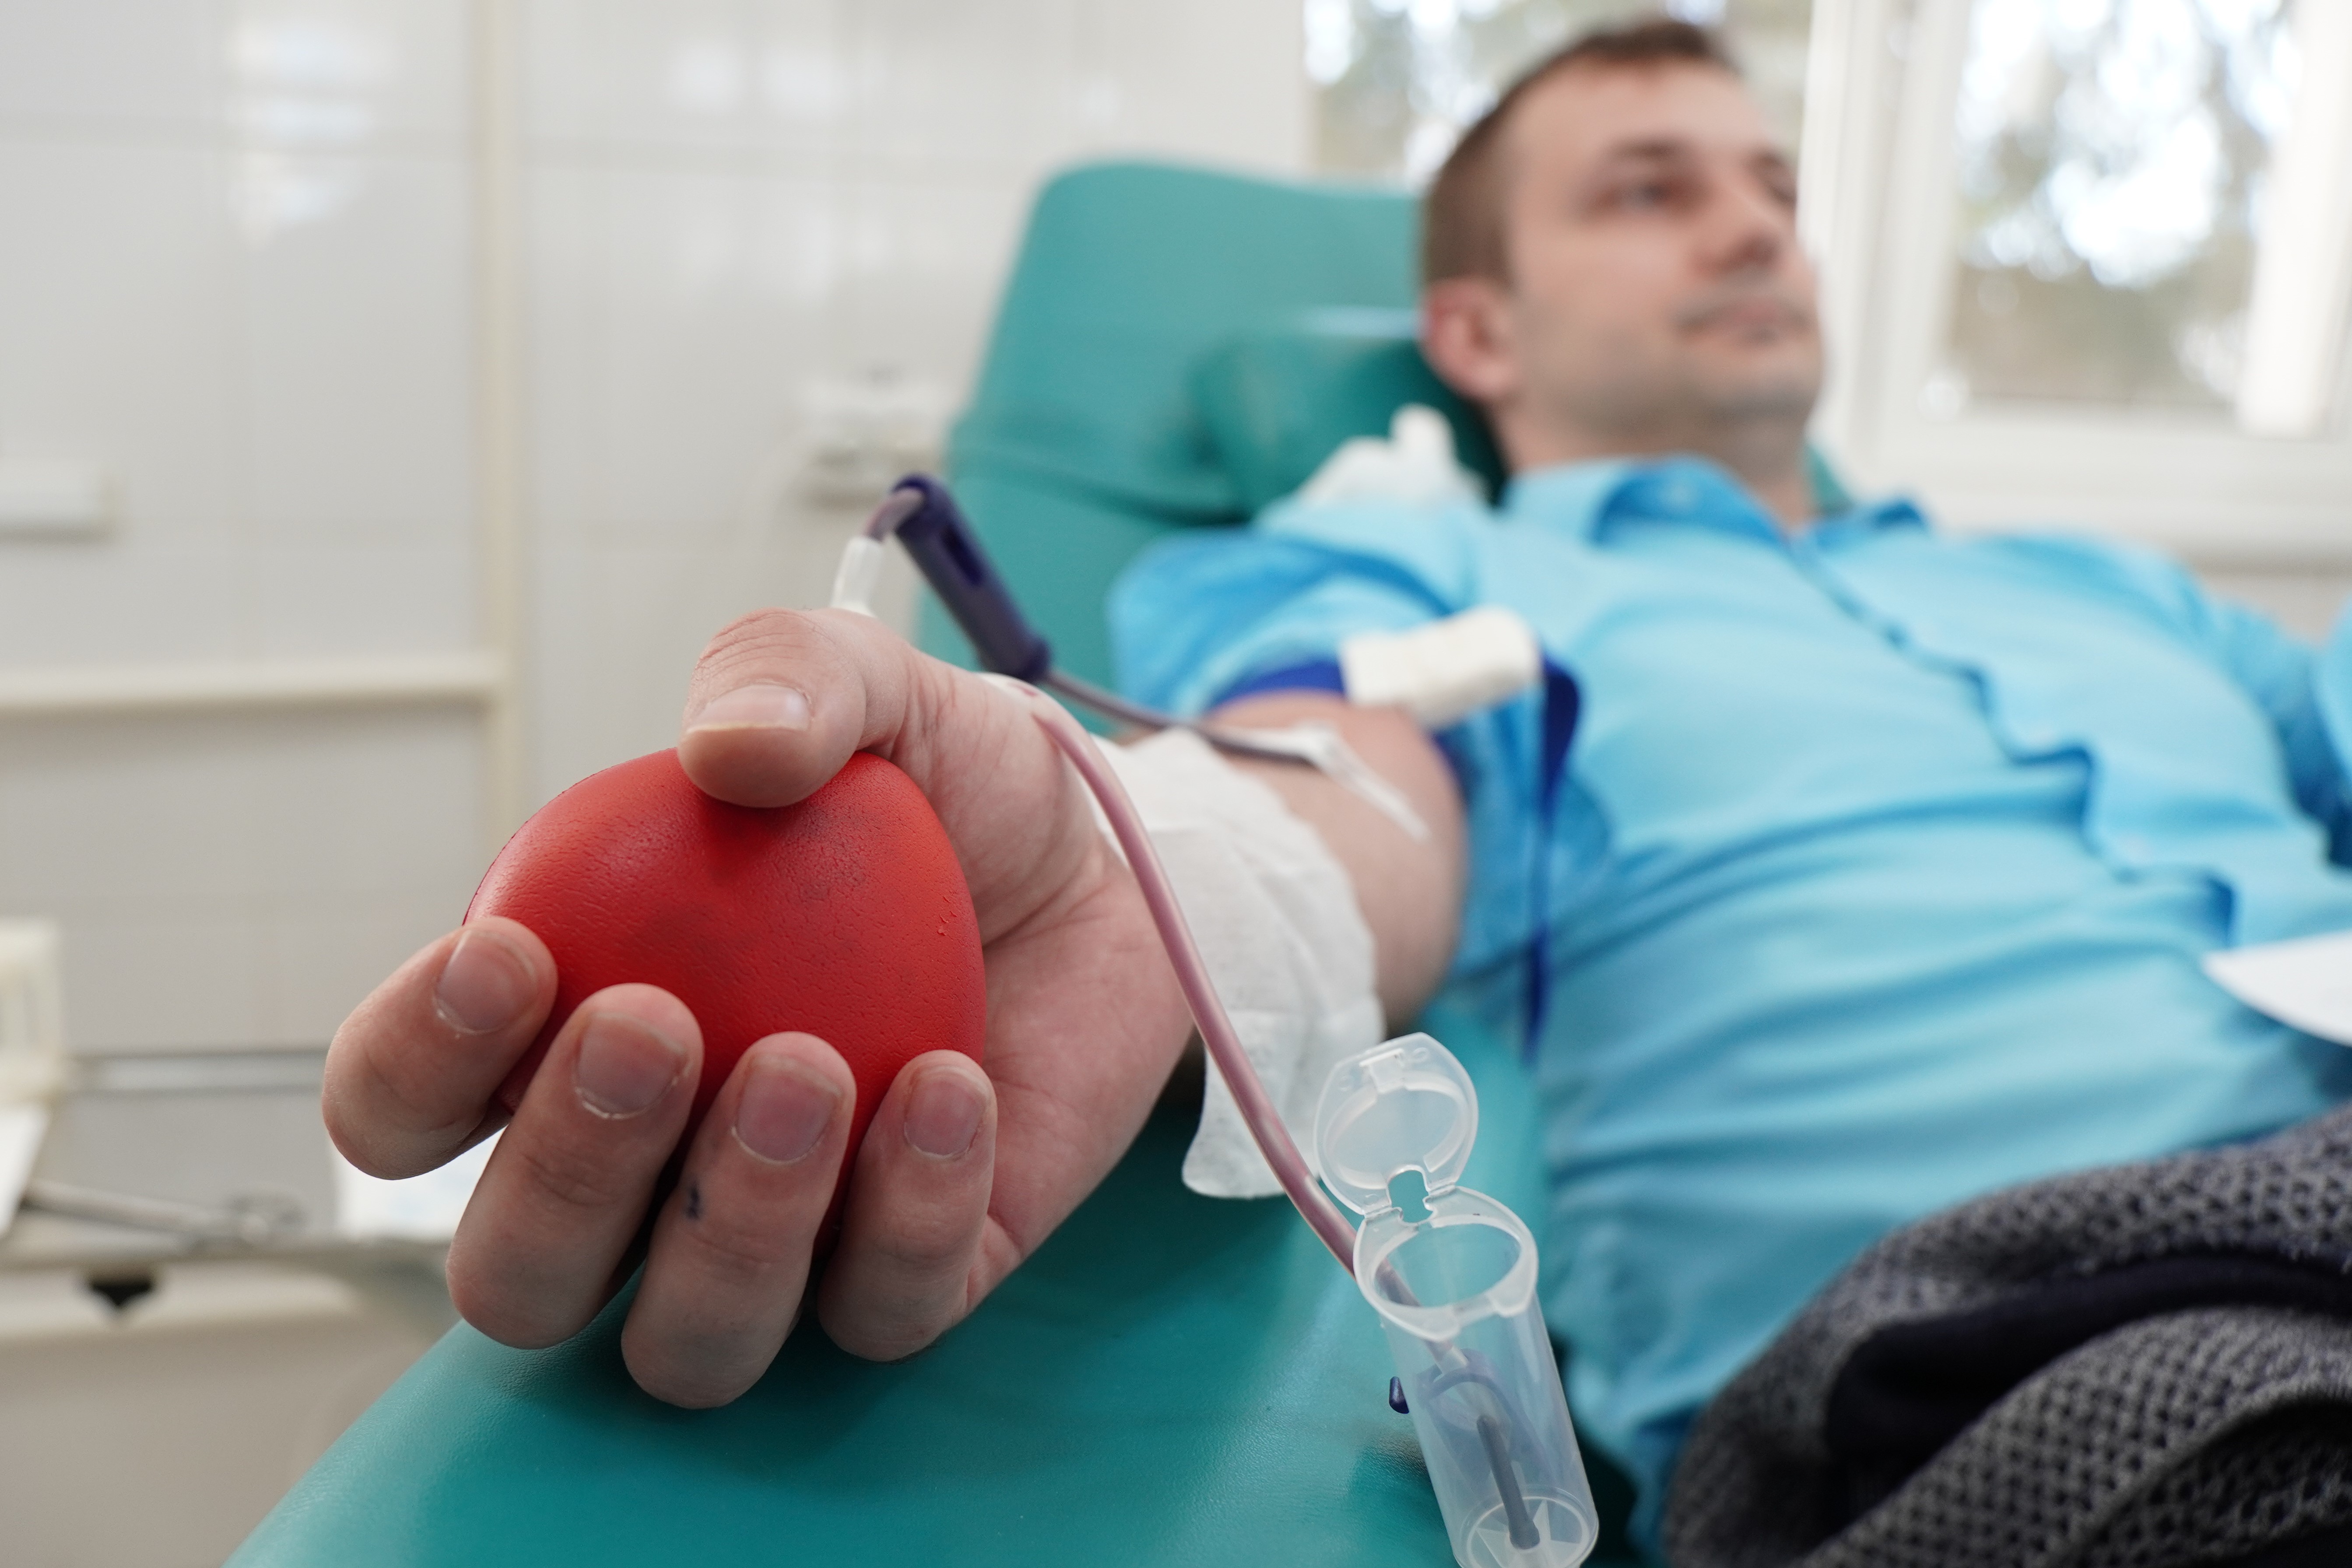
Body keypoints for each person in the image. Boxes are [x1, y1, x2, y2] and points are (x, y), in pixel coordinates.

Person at [323, 14, 2352, 1545]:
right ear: (1474, 326)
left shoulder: (2110, 589)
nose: (1754, 223)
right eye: (1649, 189)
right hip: (2050, 1360)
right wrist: (1146, 885)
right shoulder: (1416, 575)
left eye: (1772, 184)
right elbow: (1334, 783)